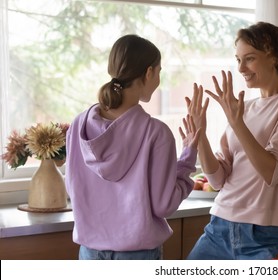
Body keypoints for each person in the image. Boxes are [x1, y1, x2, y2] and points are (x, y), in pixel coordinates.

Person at [186, 22, 278, 260]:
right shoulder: (243, 109)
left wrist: (237, 124)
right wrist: (200, 135)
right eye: (238, 60)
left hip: (265, 235)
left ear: (274, 56)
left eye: (249, 59)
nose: (241, 68)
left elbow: (273, 172)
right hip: (218, 228)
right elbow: (217, 179)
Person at [65, 34, 200, 260]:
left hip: (89, 254)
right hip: (138, 256)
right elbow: (163, 205)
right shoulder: (156, 133)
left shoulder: (79, 124)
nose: (158, 80)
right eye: (159, 72)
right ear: (149, 73)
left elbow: (73, 188)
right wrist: (187, 159)